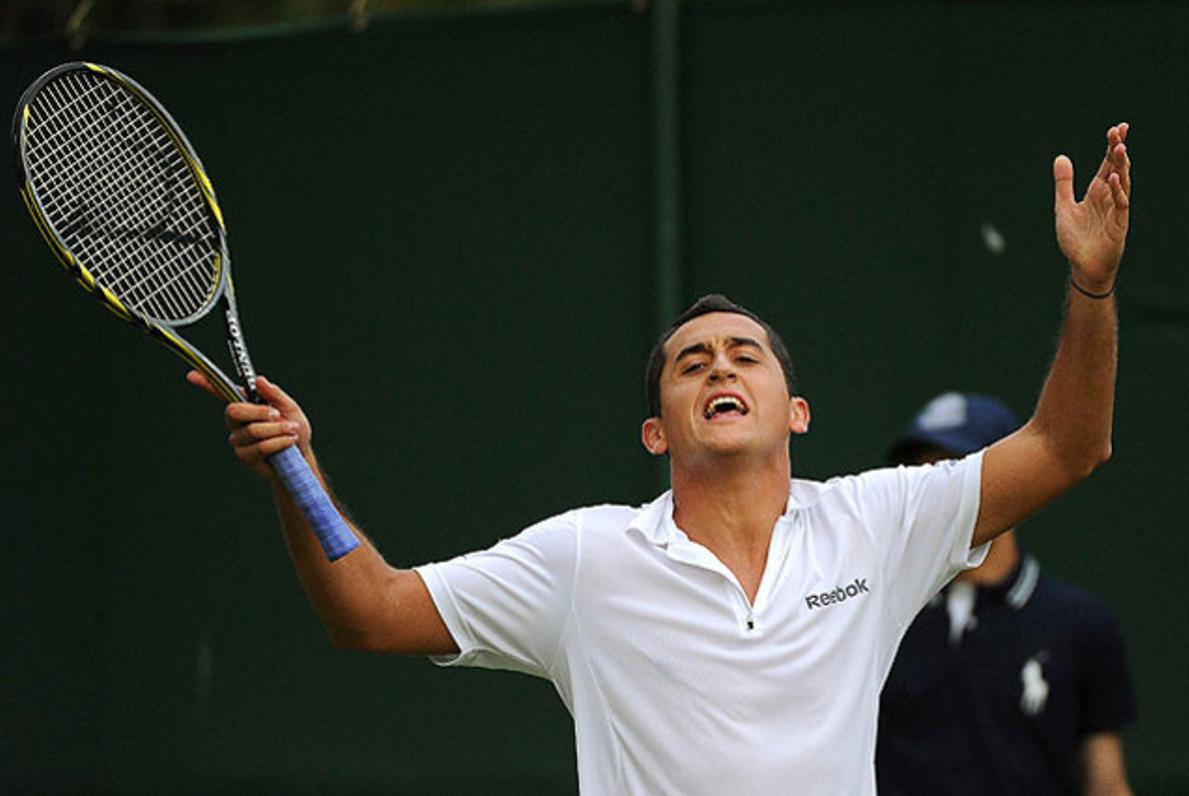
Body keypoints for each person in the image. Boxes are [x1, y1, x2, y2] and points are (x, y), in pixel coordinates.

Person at [188, 124, 1131, 794]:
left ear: (794, 412)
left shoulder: (875, 525)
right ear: (657, 432)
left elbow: (1067, 445)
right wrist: (295, 473)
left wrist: (1091, 286)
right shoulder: (585, 561)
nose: (720, 364)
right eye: (692, 363)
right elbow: (370, 611)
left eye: (744, 355)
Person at [876, 392, 1136, 796]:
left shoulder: (1081, 624)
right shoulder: (870, 612)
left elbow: (1106, 783)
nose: (938, 495)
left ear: (1018, 481)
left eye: (954, 473)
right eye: (921, 475)